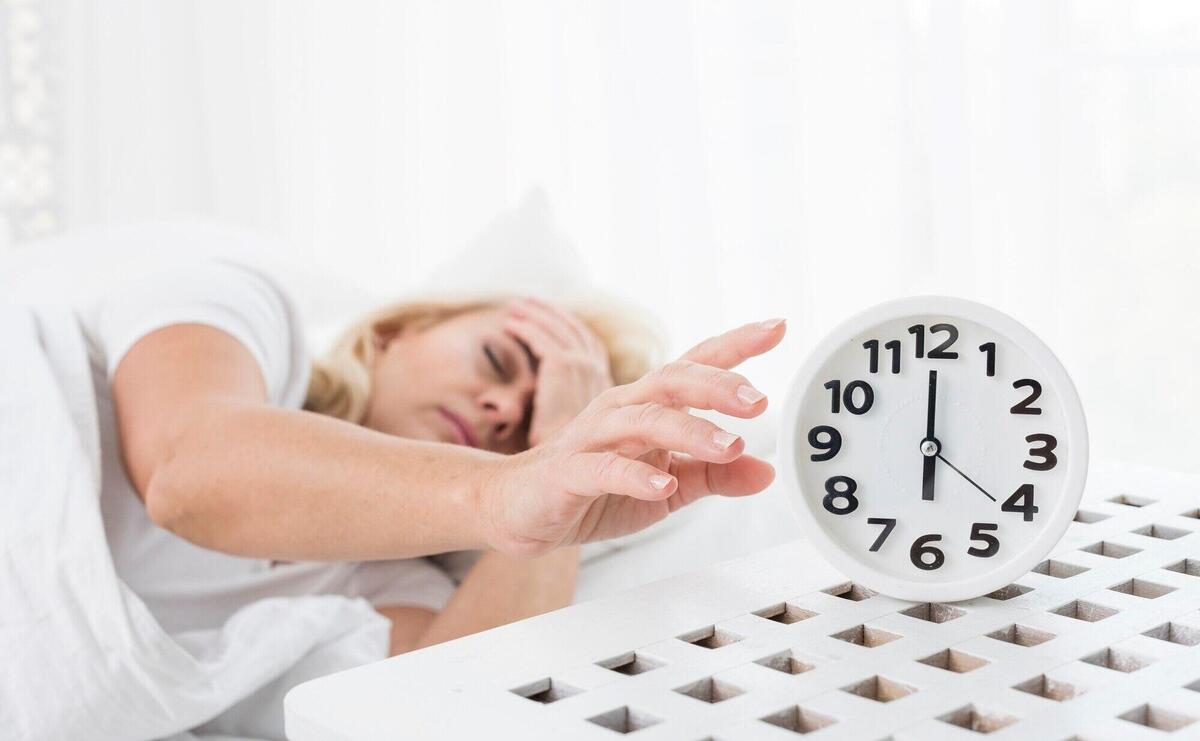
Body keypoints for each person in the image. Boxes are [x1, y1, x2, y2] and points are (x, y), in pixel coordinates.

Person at [93, 258, 785, 657]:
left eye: (529, 429)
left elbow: (454, 704)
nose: (506, 410)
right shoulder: (242, 313)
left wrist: (567, 479)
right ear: (398, 330)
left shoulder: (391, 586)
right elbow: (185, 476)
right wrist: (512, 482)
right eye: (498, 358)